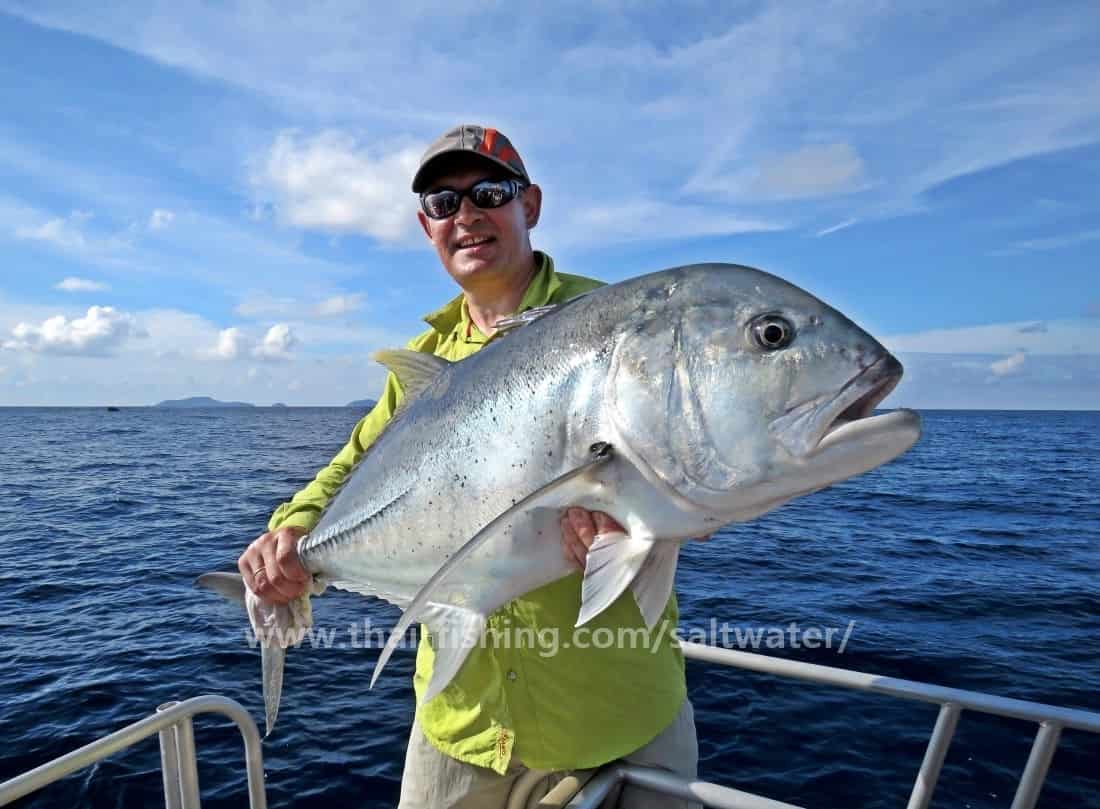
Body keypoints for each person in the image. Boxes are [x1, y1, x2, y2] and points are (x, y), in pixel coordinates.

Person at [237, 125, 698, 808]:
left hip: (610, 714)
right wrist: (293, 531)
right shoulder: (422, 365)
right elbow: (350, 465)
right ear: (427, 228)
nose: (467, 215)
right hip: (460, 720)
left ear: (530, 204)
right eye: (443, 202)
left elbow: (692, 456)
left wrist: (669, 516)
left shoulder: (617, 325)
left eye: (489, 192)